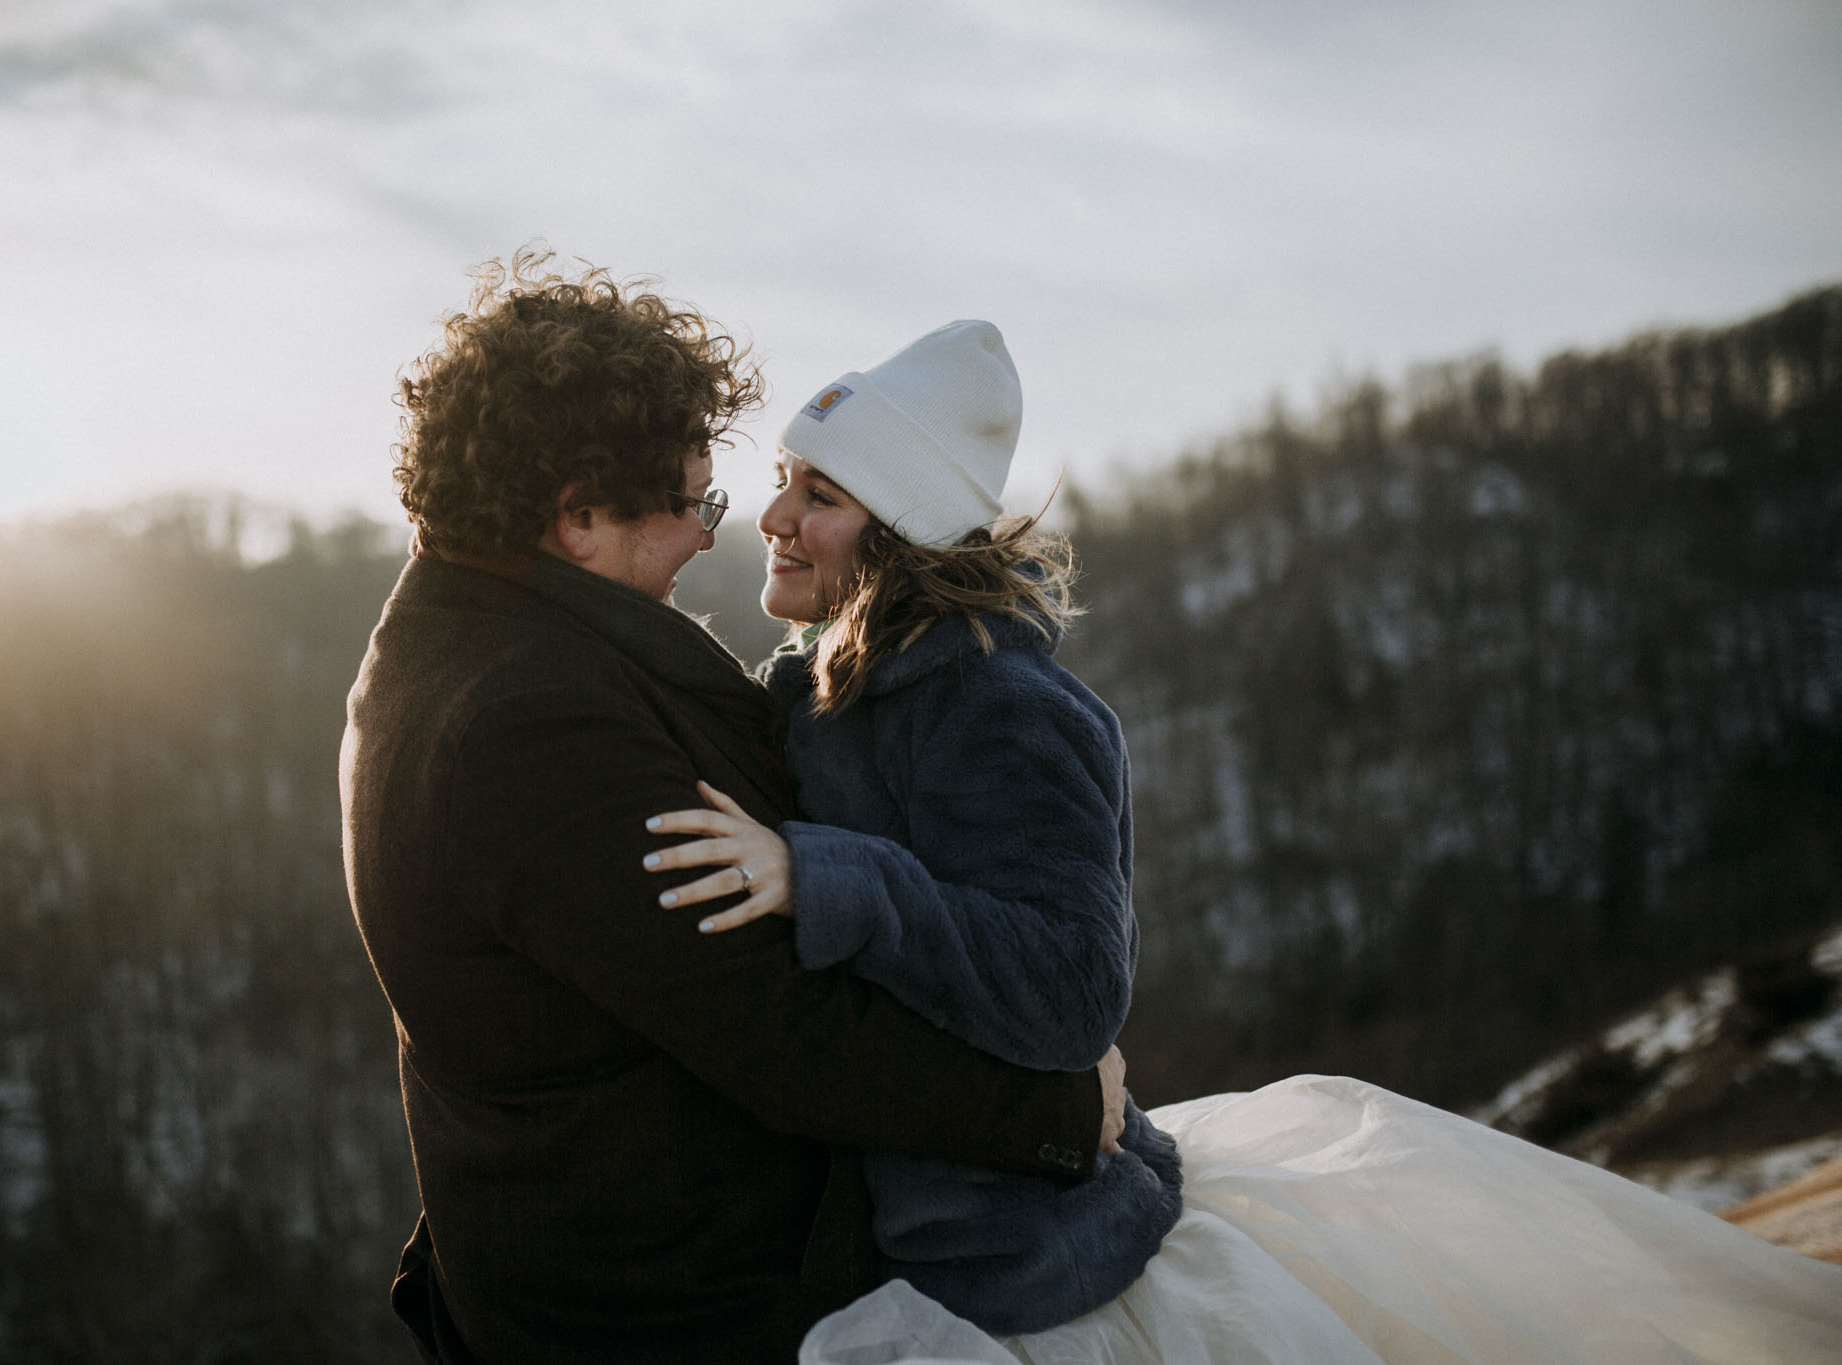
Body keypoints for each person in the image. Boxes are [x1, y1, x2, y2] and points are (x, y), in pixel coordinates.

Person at [644, 321, 1842, 1363]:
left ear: (898, 531)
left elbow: (1069, 986)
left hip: (1010, 1271)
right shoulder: (819, 690)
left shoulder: (1006, 708)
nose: (777, 517)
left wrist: (826, 877)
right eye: (787, 478)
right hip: (885, 1231)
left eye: (821, 495)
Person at [338, 252, 1127, 1365]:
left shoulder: (478, 636)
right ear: (577, 518)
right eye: (695, 501)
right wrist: (1052, 1120)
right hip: (675, 1308)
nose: (721, 529)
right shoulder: (520, 722)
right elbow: (774, 1027)